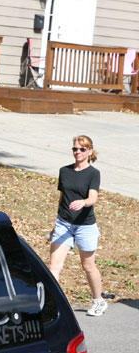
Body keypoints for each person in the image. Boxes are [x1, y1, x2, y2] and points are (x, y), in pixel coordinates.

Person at [47, 135, 107, 317]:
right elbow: (62, 197)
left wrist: (83, 202)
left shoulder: (93, 173)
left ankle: (99, 300)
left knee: (88, 266)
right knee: (54, 266)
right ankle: (53, 304)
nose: (77, 152)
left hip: (85, 226)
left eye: (82, 149)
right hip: (63, 224)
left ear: (90, 151)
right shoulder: (64, 171)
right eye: (75, 148)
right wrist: (55, 225)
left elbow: (93, 197)